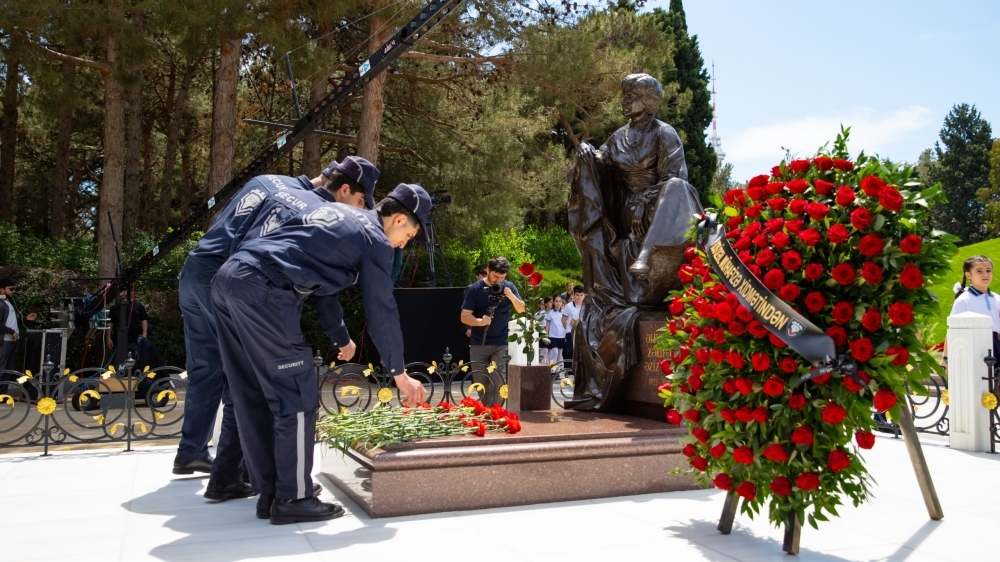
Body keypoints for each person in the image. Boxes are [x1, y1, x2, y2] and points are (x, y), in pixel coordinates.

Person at [213, 183, 430, 525]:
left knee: (251, 392)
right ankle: (294, 497)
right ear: (399, 219)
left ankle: (271, 492)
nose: (404, 243)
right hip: (265, 292)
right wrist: (399, 374)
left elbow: (321, 287)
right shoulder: (374, 238)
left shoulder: (340, 215)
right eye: (409, 234)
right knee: (297, 396)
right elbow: (381, 308)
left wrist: (341, 337)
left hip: (230, 279)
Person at [174, 156, 378, 504]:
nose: (357, 212)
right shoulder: (311, 206)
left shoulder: (268, 180)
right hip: (232, 280)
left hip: (195, 271)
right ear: (344, 189)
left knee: (206, 369)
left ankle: (193, 451)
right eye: (359, 202)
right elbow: (315, 283)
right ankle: (235, 474)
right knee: (245, 383)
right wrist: (339, 333)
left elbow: (231, 225)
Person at [566, 72, 702, 411]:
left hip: (657, 206)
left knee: (679, 189)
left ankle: (648, 253)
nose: (625, 100)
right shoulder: (619, 136)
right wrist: (587, 154)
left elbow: (676, 177)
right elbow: (602, 167)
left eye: (633, 95)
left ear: (649, 101)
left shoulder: (664, 133)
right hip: (628, 213)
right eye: (625, 94)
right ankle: (642, 253)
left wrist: (647, 198)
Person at [460, 257, 525, 404]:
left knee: (499, 382)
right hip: (478, 343)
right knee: (481, 383)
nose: (499, 281)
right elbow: (464, 316)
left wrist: (512, 296)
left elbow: (522, 309)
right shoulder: (475, 289)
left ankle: (497, 412)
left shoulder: (509, 287)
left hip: (501, 342)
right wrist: (480, 321)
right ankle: (485, 411)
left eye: (503, 277)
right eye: (496, 276)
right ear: (487, 270)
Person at [945, 255, 1000, 371]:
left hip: (996, 345)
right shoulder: (963, 300)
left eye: (988, 271)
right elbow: (952, 330)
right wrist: (946, 358)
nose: (985, 274)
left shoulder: (997, 298)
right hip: (973, 346)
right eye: (979, 271)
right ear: (968, 275)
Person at [0, 279, 37, 373]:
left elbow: (11, 322)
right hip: (4, 342)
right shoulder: (1, 304)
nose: (13, 291)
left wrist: (25, 319)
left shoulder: (8, 303)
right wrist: (12, 332)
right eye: (11, 289)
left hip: (13, 341)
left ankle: (6, 384)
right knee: (2, 370)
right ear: (2, 290)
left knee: (9, 370)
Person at [464, 265, 490, 339]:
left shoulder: (494, 288)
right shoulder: (472, 289)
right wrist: (469, 328)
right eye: (483, 275)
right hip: (476, 324)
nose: (485, 277)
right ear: (477, 276)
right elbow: (467, 310)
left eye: (487, 275)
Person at [561, 285, 585, 364]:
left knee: (582, 351)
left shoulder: (586, 306)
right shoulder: (569, 306)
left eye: (581, 295)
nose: (579, 297)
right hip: (570, 332)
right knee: (571, 350)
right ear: (574, 295)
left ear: (584, 295)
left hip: (583, 333)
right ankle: (569, 368)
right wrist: (568, 329)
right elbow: (563, 320)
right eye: (577, 295)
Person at [545, 295, 567, 367]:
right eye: (556, 301)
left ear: (562, 302)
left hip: (562, 336)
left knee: (560, 354)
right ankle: (552, 369)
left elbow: (566, 324)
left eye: (560, 301)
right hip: (553, 336)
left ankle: (557, 371)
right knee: (555, 353)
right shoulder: (550, 313)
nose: (558, 303)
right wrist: (546, 335)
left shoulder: (564, 313)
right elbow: (547, 325)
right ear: (553, 302)